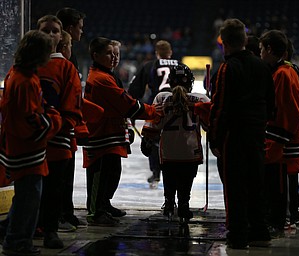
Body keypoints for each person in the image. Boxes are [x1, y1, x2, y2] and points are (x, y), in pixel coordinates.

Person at [208, 18, 275, 249]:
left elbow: (220, 106)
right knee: (256, 183)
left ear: (224, 42)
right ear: (245, 40)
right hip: (257, 134)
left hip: (234, 136)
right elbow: (271, 103)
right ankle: (260, 231)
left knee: (235, 187)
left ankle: (238, 235)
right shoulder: (262, 66)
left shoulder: (228, 68)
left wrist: (214, 138)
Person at [83, 37, 161, 226]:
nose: (114, 57)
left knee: (111, 173)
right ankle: (95, 211)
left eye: (117, 54)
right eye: (109, 53)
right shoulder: (101, 79)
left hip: (110, 135)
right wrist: (153, 111)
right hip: (101, 136)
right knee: (100, 175)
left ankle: (104, 204)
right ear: (96, 55)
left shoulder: (107, 75)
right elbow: (126, 104)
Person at [0, 30, 62, 256]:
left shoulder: (16, 74)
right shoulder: (25, 81)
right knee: (29, 199)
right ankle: (17, 243)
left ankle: (8, 232)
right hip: (27, 150)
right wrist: (54, 121)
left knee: (24, 196)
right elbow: (31, 120)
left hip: (18, 148)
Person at [141, 64, 210, 223]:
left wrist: (147, 140)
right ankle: (184, 204)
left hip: (169, 151)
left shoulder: (161, 97)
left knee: (170, 178)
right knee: (187, 180)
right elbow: (210, 125)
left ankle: (169, 203)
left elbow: (153, 126)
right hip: (190, 151)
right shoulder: (201, 99)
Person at [37, 15, 83, 249]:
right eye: (46, 30)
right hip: (32, 141)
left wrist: (57, 126)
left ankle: (50, 229)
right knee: (32, 187)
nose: (51, 34)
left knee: (54, 187)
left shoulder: (66, 67)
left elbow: (72, 106)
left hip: (56, 139)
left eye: (55, 31)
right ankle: (35, 225)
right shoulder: (27, 65)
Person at [259, 30, 299, 236]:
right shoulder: (280, 72)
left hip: (282, 145)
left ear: (269, 49)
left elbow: (290, 112)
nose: (260, 54)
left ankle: (283, 220)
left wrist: (277, 142)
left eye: (261, 49)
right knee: (280, 185)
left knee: (282, 186)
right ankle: (283, 218)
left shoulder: (284, 74)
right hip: (281, 143)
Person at [128, 40, 180, 187]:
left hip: (156, 107)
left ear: (156, 53)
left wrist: (131, 112)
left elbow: (135, 90)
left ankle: (156, 173)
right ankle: (174, 172)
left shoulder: (149, 65)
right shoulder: (180, 65)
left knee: (153, 139)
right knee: (175, 140)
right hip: (176, 108)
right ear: (170, 52)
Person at [56, 7, 87, 230]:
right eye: (80, 27)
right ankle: (58, 216)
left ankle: (65, 212)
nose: (82, 32)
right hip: (61, 127)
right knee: (61, 174)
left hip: (65, 125)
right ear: (69, 29)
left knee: (66, 173)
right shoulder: (64, 62)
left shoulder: (71, 57)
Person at [283, 39, 299, 229]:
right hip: (291, 135)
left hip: (284, 136)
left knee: (287, 176)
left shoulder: (285, 74)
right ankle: (292, 215)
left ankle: (290, 215)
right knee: (291, 176)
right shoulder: (293, 72)